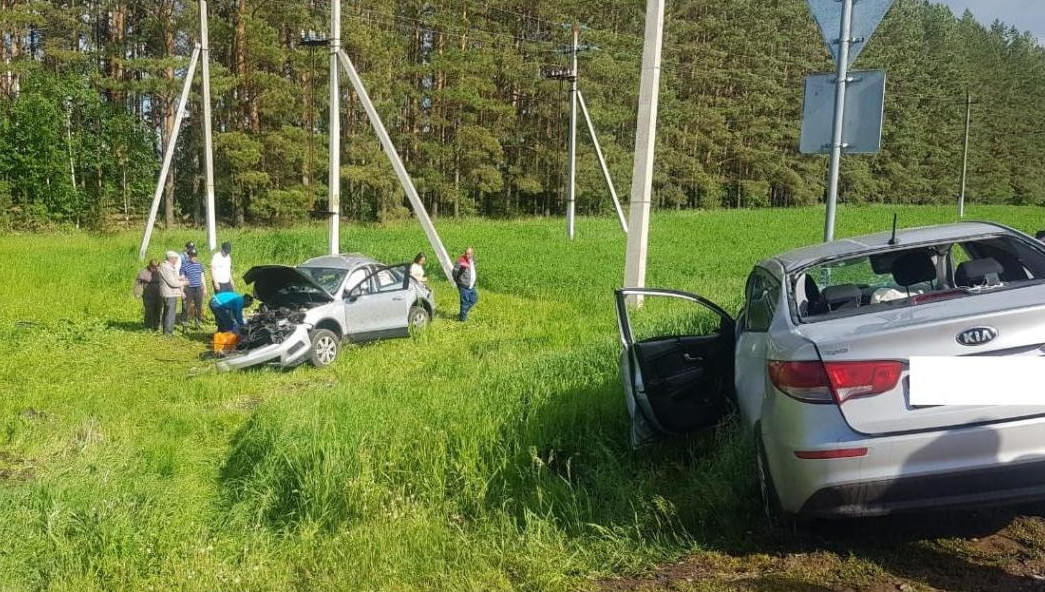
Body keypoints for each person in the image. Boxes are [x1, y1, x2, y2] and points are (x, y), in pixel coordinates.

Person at [157, 251, 188, 335]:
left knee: (168, 312)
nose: (177, 260)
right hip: (169, 293)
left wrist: (180, 277)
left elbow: (173, 278)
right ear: (171, 258)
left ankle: (166, 330)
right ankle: (168, 332)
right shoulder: (166, 267)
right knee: (170, 313)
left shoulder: (169, 267)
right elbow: (172, 282)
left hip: (170, 293)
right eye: (175, 258)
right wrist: (184, 283)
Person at [181, 249, 207, 328]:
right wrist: (182, 291)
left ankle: (198, 322)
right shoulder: (184, 265)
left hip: (198, 288)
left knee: (198, 306)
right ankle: (185, 324)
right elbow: (182, 278)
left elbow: (202, 276)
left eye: (195, 256)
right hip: (189, 289)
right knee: (186, 307)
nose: (194, 258)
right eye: (192, 256)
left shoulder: (199, 265)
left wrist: (205, 288)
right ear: (189, 256)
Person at [135, 259, 164, 330]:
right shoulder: (143, 272)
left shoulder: (160, 271)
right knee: (149, 310)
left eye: (156, 267)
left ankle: (157, 325)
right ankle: (148, 326)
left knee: (158, 309)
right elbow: (138, 283)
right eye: (153, 267)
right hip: (148, 294)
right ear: (149, 266)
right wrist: (137, 293)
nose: (154, 269)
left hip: (159, 293)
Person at [453, 247, 478, 322]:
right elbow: (454, 272)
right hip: (464, 285)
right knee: (465, 302)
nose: (468, 255)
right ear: (465, 253)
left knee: (474, 299)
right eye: (467, 253)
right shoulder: (461, 261)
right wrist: (458, 281)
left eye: (470, 253)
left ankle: (462, 314)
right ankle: (462, 320)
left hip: (472, 285)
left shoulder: (473, 261)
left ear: (472, 253)